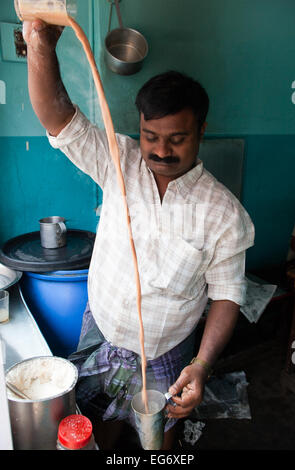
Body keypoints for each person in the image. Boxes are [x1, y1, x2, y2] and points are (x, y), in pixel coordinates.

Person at [23, 20, 255, 450]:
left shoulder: (224, 213)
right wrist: (40, 44)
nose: (161, 151)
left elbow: (227, 295)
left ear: (202, 131)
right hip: (103, 329)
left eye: (177, 139)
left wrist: (202, 365)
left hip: (168, 350)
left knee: (157, 434)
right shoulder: (119, 161)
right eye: (151, 136)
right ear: (140, 129)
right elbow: (58, 118)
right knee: (97, 422)